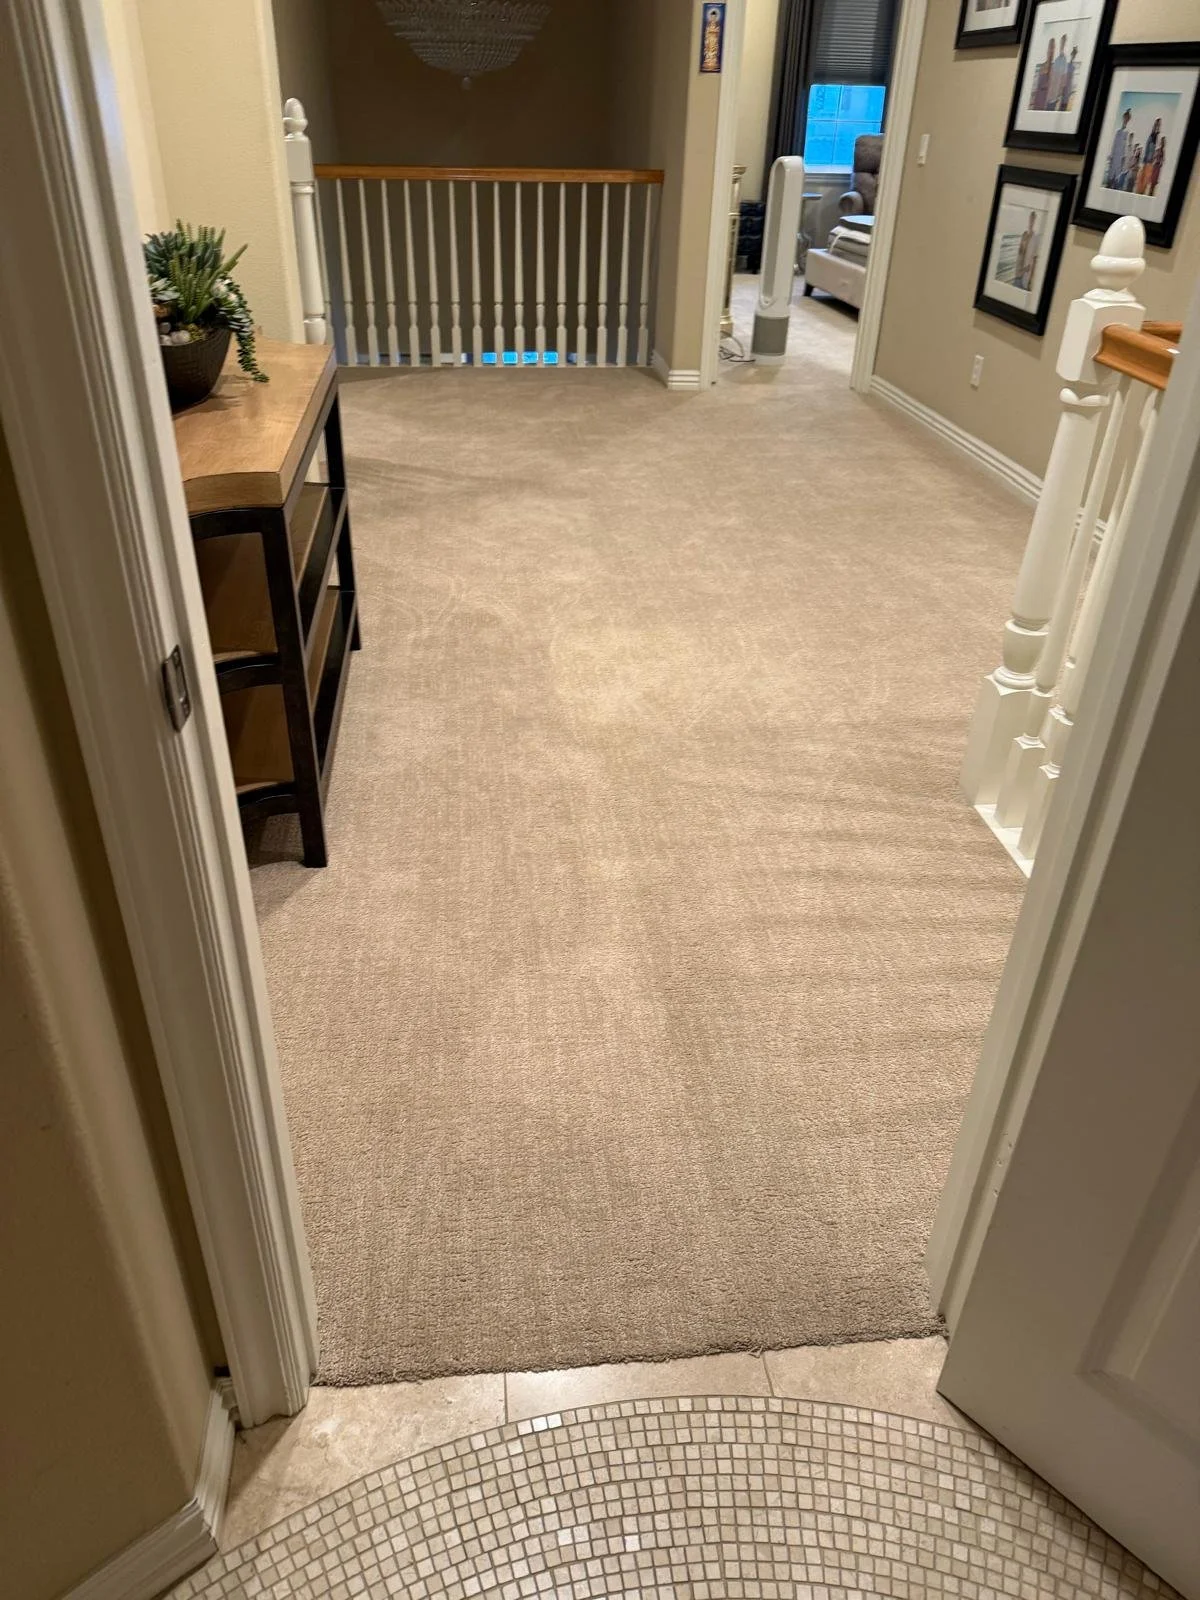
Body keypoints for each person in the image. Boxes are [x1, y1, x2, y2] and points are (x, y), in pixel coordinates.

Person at [1105, 108, 1132, 189]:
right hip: (1114, 158)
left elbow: (1126, 148)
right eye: (1125, 117)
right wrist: (1111, 157)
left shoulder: (1128, 132)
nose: (1125, 120)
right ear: (1123, 118)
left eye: (1127, 118)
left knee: (1117, 180)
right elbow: (1114, 145)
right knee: (1110, 180)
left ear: (1129, 120)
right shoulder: (1118, 131)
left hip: (1120, 160)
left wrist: (1124, 160)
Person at [1137, 118, 1162, 194]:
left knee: (1145, 181)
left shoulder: (1156, 138)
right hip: (1147, 161)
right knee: (1142, 180)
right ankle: (1140, 192)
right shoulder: (1151, 137)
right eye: (1156, 124)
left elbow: (1155, 152)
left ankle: (1142, 192)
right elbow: (1148, 148)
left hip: (1150, 162)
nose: (1157, 126)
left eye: (1158, 125)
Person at [1016, 212, 1039, 291]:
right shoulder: (1024, 234)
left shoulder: (1035, 239)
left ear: (1035, 221)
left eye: (1033, 219)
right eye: (1030, 219)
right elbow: (1020, 252)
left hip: (1026, 277)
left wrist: (1031, 280)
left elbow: (1035, 261)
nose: (1031, 222)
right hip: (1018, 275)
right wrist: (1023, 242)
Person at [1031, 39, 1057, 111]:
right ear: (1047, 50)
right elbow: (1036, 88)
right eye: (1050, 48)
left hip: (1048, 104)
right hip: (1038, 103)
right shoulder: (1041, 67)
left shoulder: (1054, 68)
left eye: (1053, 48)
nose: (1051, 51)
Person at [1048, 35, 1069, 112]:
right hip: (1050, 96)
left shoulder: (1064, 60)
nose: (1062, 46)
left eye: (1064, 43)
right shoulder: (1057, 60)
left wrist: (1059, 97)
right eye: (1061, 43)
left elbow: (1063, 81)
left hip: (1054, 97)